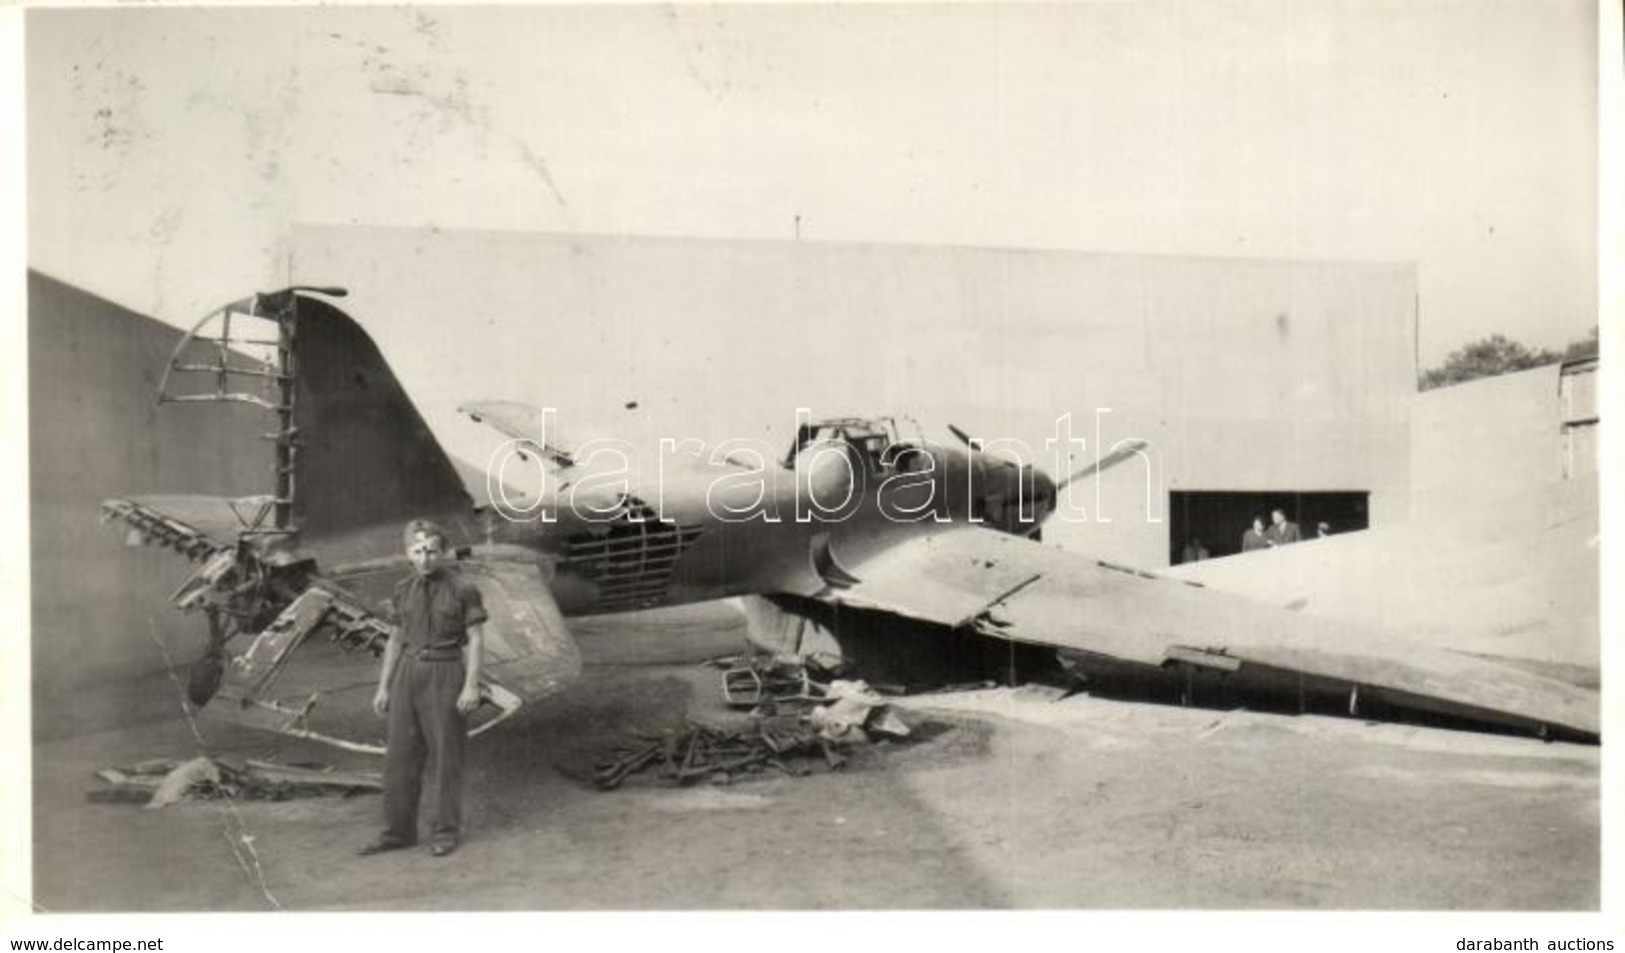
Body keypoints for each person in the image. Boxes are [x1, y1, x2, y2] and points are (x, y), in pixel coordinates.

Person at [359, 519, 487, 859]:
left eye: (432, 550)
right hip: (407, 673)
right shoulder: (402, 589)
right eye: (418, 551)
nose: (425, 558)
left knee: (446, 758)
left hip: (446, 672)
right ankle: (397, 832)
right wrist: (383, 687)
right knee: (399, 758)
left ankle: (445, 832)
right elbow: (395, 639)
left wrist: (471, 685)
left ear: (443, 552)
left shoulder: (463, 589)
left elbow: (475, 640)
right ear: (408, 553)